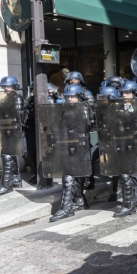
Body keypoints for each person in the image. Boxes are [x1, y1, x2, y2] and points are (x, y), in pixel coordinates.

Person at [50, 84, 95, 221]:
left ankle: (66, 208)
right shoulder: (64, 108)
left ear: (79, 96)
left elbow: (87, 125)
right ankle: (79, 201)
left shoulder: (85, 108)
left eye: (73, 96)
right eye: (68, 96)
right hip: (66, 145)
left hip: (80, 146)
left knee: (69, 176)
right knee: (75, 174)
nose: (70, 99)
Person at [0, 76, 25, 196]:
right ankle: (16, 179)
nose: (6, 88)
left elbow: (16, 117)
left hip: (14, 132)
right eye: (5, 86)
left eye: (9, 86)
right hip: (4, 131)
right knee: (11, 156)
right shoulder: (3, 99)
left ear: (15, 86)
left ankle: (6, 185)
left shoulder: (17, 98)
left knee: (6, 156)